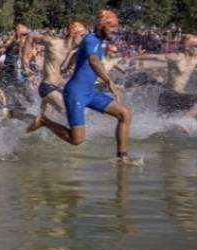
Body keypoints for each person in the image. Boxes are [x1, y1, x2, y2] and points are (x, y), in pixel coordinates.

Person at [31, 10, 134, 162]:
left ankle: (122, 158)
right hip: (76, 93)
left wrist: (67, 65)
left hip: (89, 93)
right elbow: (93, 61)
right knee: (77, 140)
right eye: (112, 27)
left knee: (125, 114)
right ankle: (44, 121)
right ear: (102, 26)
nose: (115, 30)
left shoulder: (97, 41)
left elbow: (77, 53)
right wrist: (109, 82)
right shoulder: (91, 40)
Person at [134, 34, 197, 123]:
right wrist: (132, 58)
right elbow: (154, 56)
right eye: (196, 46)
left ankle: (181, 121)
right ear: (187, 47)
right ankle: (184, 120)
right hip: (170, 95)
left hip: (177, 97)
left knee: (161, 124)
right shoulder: (176, 57)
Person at [28, 21, 86, 128]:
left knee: (42, 121)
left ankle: (14, 117)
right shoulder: (53, 42)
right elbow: (31, 36)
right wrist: (25, 62)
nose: (85, 38)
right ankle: (74, 136)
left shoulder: (75, 52)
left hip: (58, 88)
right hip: (47, 87)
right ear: (74, 33)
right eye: (82, 35)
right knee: (67, 111)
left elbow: (64, 71)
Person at [0, 24, 33, 121]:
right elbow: (2, 48)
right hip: (7, 77)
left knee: (31, 100)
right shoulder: (12, 42)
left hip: (19, 77)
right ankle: (2, 120)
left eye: (26, 34)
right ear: (17, 33)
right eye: (23, 34)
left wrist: (29, 71)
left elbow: (24, 60)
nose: (25, 37)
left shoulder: (26, 45)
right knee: (13, 105)